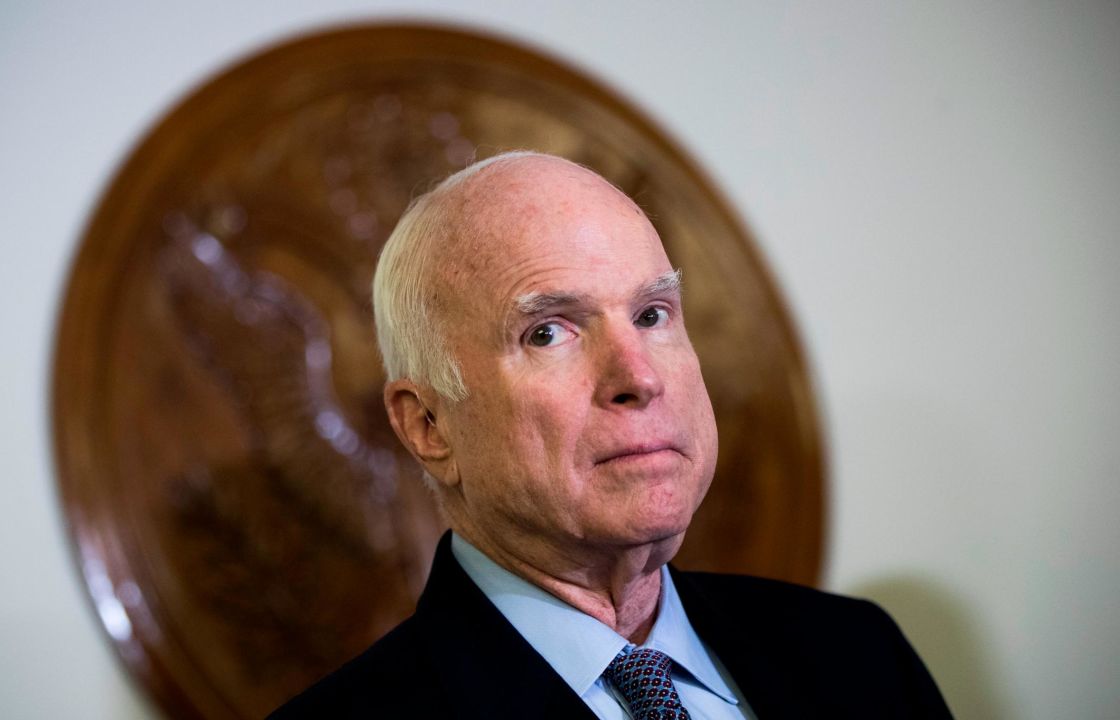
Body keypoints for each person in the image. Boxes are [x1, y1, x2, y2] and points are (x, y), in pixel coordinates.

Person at [269, 152, 951, 719]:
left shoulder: (860, 654)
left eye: (653, 314)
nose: (639, 377)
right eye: (548, 332)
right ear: (429, 425)